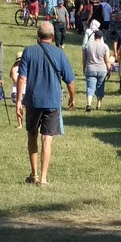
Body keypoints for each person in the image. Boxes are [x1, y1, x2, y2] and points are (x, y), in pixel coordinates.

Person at [14, 20, 74, 185]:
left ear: (38, 35)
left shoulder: (28, 51)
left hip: (33, 100)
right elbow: (70, 81)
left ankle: (34, 174)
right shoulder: (59, 54)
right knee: (47, 139)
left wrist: (18, 100)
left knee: (32, 135)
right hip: (52, 102)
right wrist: (73, 98)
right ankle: (43, 178)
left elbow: (22, 78)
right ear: (53, 36)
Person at [81, 27, 113, 112]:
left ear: (94, 36)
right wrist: (109, 70)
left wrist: (84, 68)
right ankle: (99, 104)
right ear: (101, 37)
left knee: (90, 87)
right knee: (100, 86)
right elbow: (107, 60)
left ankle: (89, 103)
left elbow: (84, 59)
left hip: (90, 68)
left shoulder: (87, 45)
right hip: (102, 69)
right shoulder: (105, 46)